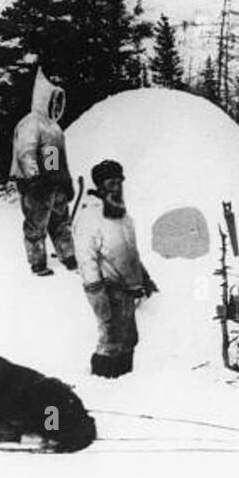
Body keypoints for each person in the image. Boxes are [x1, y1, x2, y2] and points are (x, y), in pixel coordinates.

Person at [73, 160, 157, 378]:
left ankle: (123, 385)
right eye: (111, 183)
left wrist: (145, 278)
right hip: (108, 290)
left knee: (129, 339)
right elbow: (86, 259)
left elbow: (130, 253)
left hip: (128, 290)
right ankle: (103, 384)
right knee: (110, 340)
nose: (116, 188)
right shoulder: (90, 216)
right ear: (100, 187)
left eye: (119, 183)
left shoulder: (123, 216)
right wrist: (96, 292)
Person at [10, 69, 76, 277]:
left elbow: (56, 159)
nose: (56, 107)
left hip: (54, 184)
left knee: (61, 223)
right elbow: (25, 152)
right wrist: (34, 179)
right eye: (53, 102)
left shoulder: (54, 128)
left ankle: (68, 255)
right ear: (43, 100)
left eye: (59, 103)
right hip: (36, 186)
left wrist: (65, 182)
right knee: (36, 225)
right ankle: (37, 262)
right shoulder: (30, 123)